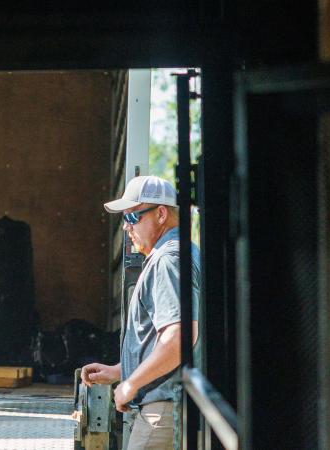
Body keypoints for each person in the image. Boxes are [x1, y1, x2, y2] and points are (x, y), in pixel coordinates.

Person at [80, 175, 199, 450]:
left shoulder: (168, 260)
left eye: (133, 217)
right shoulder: (181, 254)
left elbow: (180, 338)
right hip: (171, 408)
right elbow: (166, 344)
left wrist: (131, 384)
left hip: (163, 414)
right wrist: (120, 371)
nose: (125, 227)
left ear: (160, 214)